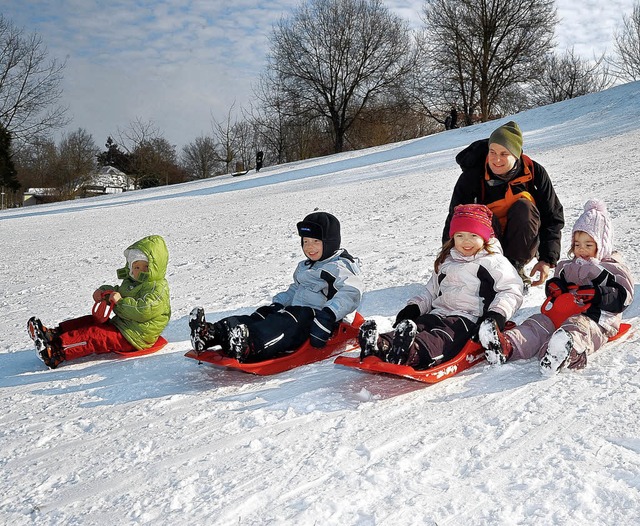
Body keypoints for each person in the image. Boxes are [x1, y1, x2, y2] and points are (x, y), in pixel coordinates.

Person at [478, 199, 634, 375]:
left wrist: (598, 294)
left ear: (602, 244)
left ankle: (564, 353)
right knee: (537, 323)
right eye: (577, 244)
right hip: (559, 313)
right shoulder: (567, 266)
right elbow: (555, 283)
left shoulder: (612, 269)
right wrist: (554, 287)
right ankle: (506, 346)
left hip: (593, 319)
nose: (581, 249)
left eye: (588, 245)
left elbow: (623, 296)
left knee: (578, 328)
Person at [359, 204, 523, 369]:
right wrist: (414, 308)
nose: (466, 241)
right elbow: (431, 291)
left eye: (473, 235)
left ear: (485, 237)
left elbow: (511, 290)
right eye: (460, 236)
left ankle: (414, 352)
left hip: (468, 318)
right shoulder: (447, 260)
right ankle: (382, 344)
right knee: (419, 325)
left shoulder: (493, 261)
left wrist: (496, 316)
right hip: (438, 312)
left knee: (442, 337)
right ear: (452, 237)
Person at [189, 212, 363, 362]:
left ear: (330, 241)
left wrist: (328, 316)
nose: (309, 247)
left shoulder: (339, 266)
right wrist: (278, 303)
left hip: (322, 319)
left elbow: (351, 293)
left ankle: (250, 344)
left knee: (286, 321)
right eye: (305, 241)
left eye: (316, 241)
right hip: (298, 312)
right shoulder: (307, 265)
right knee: (263, 316)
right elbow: (296, 289)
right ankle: (213, 333)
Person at [442, 121, 564, 288]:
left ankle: (515, 267)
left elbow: (552, 217)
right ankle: (481, 270)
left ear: (516, 154)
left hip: (522, 241)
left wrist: (547, 259)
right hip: (484, 245)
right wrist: (447, 260)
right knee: (477, 214)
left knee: (524, 208)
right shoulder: (472, 177)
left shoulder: (534, 173)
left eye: (504, 153)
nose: (496, 159)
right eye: (492, 152)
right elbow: (455, 220)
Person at [27, 235, 171, 369]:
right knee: (90, 321)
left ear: (154, 268)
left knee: (95, 335)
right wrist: (104, 293)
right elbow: (118, 291)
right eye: (136, 267)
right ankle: (53, 334)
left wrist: (120, 302)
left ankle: (55, 352)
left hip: (135, 336)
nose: (140, 271)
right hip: (122, 325)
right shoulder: (131, 282)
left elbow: (144, 310)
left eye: (145, 267)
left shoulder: (157, 289)